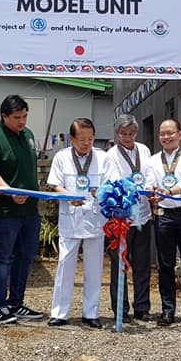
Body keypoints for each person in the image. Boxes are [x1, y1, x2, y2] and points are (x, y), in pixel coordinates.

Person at [0, 95, 44, 325]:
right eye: (17, 117)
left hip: (29, 210)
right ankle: (0, 306)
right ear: (4, 116)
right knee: (2, 257)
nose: (22, 121)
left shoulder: (27, 136)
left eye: (25, 116)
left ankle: (16, 302)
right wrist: (8, 190)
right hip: (4, 212)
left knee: (25, 257)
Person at [47, 118, 115, 328]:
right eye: (82, 139)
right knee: (65, 265)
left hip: (95, 219)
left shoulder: (103, 158)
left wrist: (100, 192)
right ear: (72, 139)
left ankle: (91, 312)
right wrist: (69, 196)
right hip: (71, 217)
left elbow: (110, 185)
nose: (87, 143)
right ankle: (59, 313)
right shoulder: (62, 156)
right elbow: (55, 185)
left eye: (90, 138)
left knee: (94, 268)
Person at [145, 118, 181, 326]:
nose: (166, 137)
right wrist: (153, 192)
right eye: (162, 133)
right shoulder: (152, 160)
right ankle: (167, 311)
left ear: (180, 134)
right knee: (165, 264)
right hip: (164, 215)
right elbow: (150, 182)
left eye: (170, 132)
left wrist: (169, 191)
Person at [107, 113, 153, 320]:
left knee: (143, 263)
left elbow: (150, 173)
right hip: (122, 218)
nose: (128, 137)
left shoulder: (144, 150)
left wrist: (150, 188)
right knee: (120, 264)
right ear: (117, 134)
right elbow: (115, 181)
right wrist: (133, 188)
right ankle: (120, 308)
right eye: (124, 133)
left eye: (132, 133)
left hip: (143, 214)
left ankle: (142, 307)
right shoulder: (111, 155)